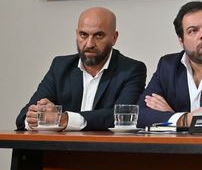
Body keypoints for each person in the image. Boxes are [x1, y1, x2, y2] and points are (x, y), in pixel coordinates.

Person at [16, 7, 147, 131]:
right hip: (60, 150)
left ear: (114, 37)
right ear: (76, 34)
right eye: (83, 35)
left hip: (106, 151)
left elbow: (122, 117)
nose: (89, 44)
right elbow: (23, 117)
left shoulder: (132, 70)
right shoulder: (60, 66)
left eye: (99, 36)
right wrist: (35, 118)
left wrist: (64, 119)